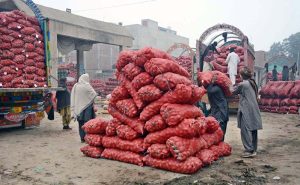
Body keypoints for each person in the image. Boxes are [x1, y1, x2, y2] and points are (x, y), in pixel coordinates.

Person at [232, 67, 262, 158]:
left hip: (246, 109)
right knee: (253, 128)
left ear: (241, 76)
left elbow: (232, 91)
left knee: (245, 130)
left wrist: (228, 85)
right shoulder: (252, 82)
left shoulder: (243, 84)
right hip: (254, 108)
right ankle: (254, 149)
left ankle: (249, 150)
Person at [71, 74, 97, 142]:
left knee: (80, 123)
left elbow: (73, 96)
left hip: (78, 108)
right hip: (87, 107)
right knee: (87, 122)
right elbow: (94, 94)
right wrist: (89, 99)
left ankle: (82, 138)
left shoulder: (76, 86)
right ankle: (87, 137)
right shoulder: (87, 85)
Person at [206, 74, 229, 141]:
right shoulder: (217, 88)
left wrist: (211, 82)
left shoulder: (217, 89)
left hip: (221, 112)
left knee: (220, 129)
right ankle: (220, 143)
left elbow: (209, 90)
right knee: (220, 129)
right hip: (220, 110)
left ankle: (220, 143)